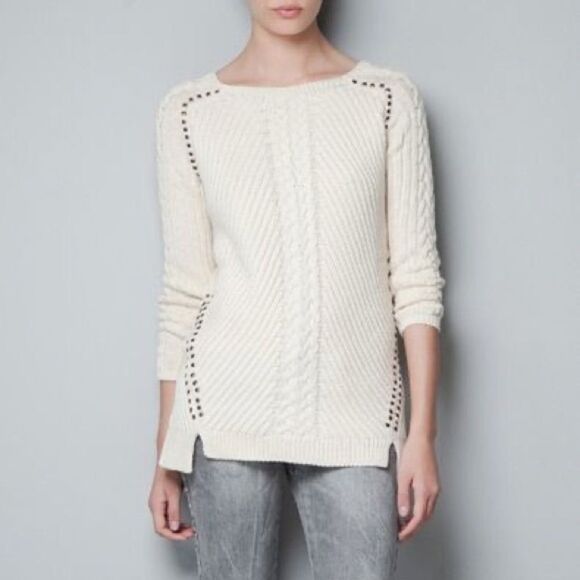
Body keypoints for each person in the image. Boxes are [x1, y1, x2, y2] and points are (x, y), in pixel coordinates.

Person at [148, 1, 445, 578]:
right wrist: (166, 451)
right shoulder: (188, 111)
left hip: (357, 415)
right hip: (223, 415)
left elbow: (415, 281)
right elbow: (184, 293)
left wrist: (422, 435)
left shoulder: (386, 99)